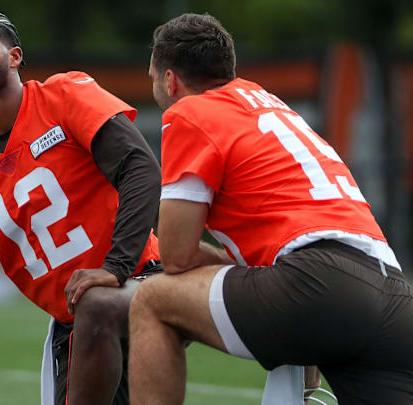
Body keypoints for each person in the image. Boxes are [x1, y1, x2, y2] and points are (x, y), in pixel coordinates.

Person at [129, 13, 413, 405]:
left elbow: (177, 257)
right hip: (393, 290)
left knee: (153, 301)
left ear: (170, 80)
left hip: (318, 281)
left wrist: (251, 273)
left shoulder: (190, 112)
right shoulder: (270, 103)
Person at [0, 9, 162, 405]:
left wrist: (115, 267)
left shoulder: (64, 95)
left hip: (139, 280)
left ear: (15, 57)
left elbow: (140, 168)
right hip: (73, 324)